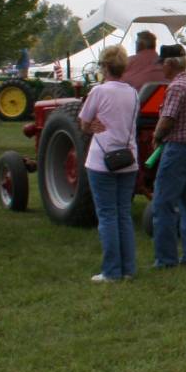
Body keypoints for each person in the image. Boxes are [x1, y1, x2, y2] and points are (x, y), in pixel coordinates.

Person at [77, 44, 140, 282]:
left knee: (107, 215)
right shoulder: (133, 93)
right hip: (128, 157)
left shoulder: (99, 91)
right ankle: (128, 269)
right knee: (123, 214)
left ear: (105, 67)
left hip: (102, 159)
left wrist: (92, 125)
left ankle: (111, 271)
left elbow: (84, 122)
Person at [150, 44, 186, 267]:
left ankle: (166, 259)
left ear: (171, 63)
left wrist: (156, 136)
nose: (160, 68)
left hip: (177, 150)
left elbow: (168, 118)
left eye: (162, 64)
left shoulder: (176, 88)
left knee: (163, 204)